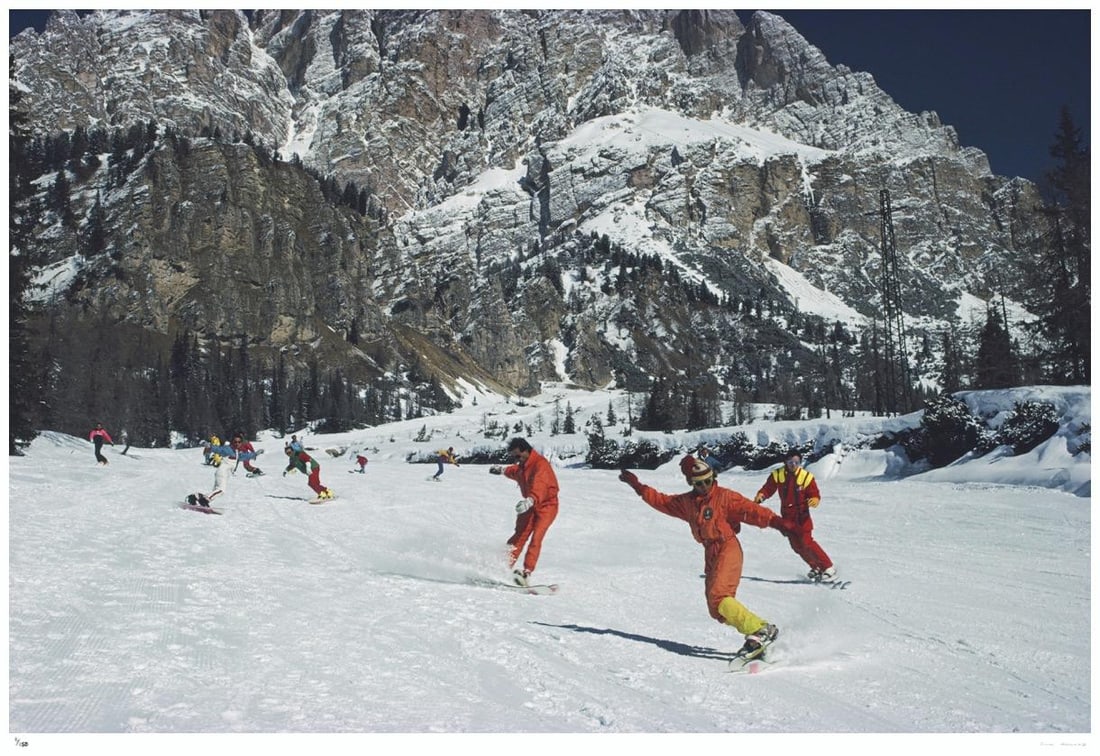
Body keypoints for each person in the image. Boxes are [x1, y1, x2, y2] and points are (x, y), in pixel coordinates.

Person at [618, 455, 794, 658]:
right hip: (710, 552)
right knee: (716, 608)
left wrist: (777, 523)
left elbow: (751, 510)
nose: (704, 486)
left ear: (714, 478)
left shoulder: (725, 497)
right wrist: (638, 487)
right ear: (691, 483)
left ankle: (760, 629)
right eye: (698, 483)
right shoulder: (687, 503)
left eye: (708, 481)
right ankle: (760, 634)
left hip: (728, 547)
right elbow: (662, 501)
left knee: (719, 595)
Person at [754, 449, 836, 581]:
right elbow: (768, 488)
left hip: (802, 516)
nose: (793, 465)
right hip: (787, 517)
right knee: (796, 546)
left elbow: (814, 493)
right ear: (785, 462)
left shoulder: (805, 477)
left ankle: (828, 567)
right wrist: (761, 495)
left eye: (796, 462)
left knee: (807, 542)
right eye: (790, 462)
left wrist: (815, 499)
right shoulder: (778, 475)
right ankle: (815, 567)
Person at [489, 437, 559, 587]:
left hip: (546, 505)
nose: (516, 459)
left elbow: (540, 485)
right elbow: (515, 472)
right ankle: (501, 566)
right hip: (530, 505)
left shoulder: (541, 465)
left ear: (526, 450)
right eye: (514, 457)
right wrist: (501, 470)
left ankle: (526, 573)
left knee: (536, 538)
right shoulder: (523, 465)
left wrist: (530, 500)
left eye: (518, 456)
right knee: (519, 536)